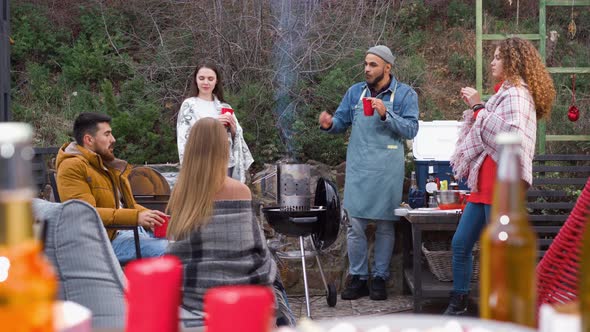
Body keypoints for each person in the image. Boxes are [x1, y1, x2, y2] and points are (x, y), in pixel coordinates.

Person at [444, 37, 556, 315]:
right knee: (461, 243)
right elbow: (489, 130)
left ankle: (504, 310)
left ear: (512, 61)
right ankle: (459, 303)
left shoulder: (517, 95)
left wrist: (477, 107)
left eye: (497, 57)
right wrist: (481, 107)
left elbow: (511, 138)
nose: (492, 62)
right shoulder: (501, 95)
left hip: (501, 186)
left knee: (500, 253)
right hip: (483, 184)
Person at [166, 117, 294, 327]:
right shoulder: (239, 191)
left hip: (193, 295)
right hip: (242, 290)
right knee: (272, 271)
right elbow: (256, 248)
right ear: (223, 148)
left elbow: (175, 250)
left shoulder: (180, 193)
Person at [318, 45, 419, 301]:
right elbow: (341, 122)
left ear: (387, 67)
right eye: (365, 64)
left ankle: (380, 279)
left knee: (385, 226)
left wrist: (386, 114)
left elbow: (411, 129)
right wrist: (329, 125)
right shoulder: (355, 93)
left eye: (373, 65)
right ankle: (359, 277)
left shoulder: (405, 94)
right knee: (355, 225)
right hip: (359, 167)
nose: (367, 69)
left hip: (387, 170)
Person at [56, 112, 168, 263]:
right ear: (89, 139)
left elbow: (124, 206)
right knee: (168, 250)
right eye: (107, 134)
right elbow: (85, 213)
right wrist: (136, 218)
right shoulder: (72, 166)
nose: (113, 139)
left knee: (187, 242)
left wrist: (150, 215)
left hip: (127, 231)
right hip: (104, 243)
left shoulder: (105, 164)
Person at [176, 60, 253, 183]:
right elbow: (185, 137)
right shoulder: (189, 105)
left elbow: (237, 137)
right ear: (196, 80)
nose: (206, 82)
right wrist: (214, 124)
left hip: (225, 163)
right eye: (202, 78)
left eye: (210, 79)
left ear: (216, 81)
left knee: (225, 199)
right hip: (201, 164)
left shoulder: (224, 107)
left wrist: (233, 130)